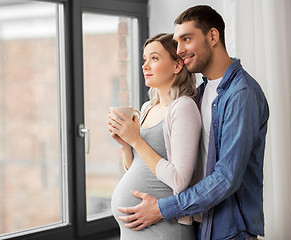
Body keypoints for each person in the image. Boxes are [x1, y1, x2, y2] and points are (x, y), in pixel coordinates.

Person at [116, 5, 270, 240]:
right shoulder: (200, 93)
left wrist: (162, 209)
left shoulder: (242, 94)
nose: (180, 50)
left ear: (212, 36)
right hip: (201, 225)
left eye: (186, 39)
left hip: (230, 230)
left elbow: (226, 178)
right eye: (177, 42)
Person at [107, 33, 202, 239]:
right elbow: (140, 168)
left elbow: (179, 180)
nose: (145, 66)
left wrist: (136, 140)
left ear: (177, 65)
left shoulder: (183, 108)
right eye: (144, 59)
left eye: (155, 58)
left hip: (164, 230)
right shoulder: (147, 107)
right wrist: (126, 145)